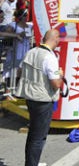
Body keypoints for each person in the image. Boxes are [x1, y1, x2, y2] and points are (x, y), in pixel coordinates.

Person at [15, 29, 63, 166]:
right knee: (39, 137)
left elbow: (19, 71)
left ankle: (31, 162)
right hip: (43, 99)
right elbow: (56, 84)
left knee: (33, 134)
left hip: (30, 97)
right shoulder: (50, 57)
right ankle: (32, 164)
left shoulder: (31, 52)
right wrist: (60, 74)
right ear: (56, 39)